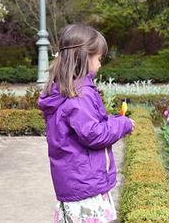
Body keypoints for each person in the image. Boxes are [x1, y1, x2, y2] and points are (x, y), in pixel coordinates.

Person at [38, 24, 134, 223]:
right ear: (84, 56)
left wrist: (116, 120)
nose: (100, 65)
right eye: (99, 58)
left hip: (73, 184)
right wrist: (123, 125)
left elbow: (90, 125)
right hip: (86, 186)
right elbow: (94, 134)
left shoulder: (64, 90)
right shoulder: (80, 93)